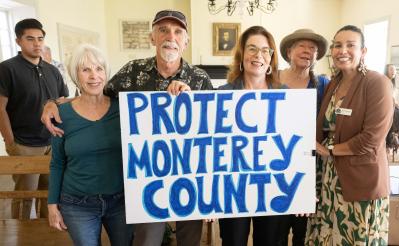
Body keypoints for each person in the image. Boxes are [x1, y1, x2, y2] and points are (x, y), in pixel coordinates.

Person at [41, 9, 213, 246]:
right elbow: (95, 94)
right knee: (146, 242)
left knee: (190, 241)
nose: (170, 36)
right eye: (162, 30)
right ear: (152, 38)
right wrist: (53, 103)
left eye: (177, 31)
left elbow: (213, 133)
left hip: (190, 176)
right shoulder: (133, 72)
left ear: (186, 41)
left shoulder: (200, 78)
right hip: (146, 181)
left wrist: (212, 193)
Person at [306, 25, 393, 245]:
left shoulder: (376, 83)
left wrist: (330, 150)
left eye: (350, 45)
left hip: (361, 182)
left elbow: (371, 139)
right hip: (329, 178)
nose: (342, 50)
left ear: (363, 51)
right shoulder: (333, 83)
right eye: (337, 45)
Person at [47, 44, 133, 245]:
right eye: (85, 70)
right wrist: (52, 205)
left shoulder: (125, 109)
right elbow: (57, 163)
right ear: (76, 75)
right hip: (77, 204)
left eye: (99, 68)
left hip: (121, 201)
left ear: (106, 72)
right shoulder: (61, 115)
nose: (94, 76)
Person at [218, 25, 284, 246]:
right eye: (252, 49)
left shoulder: (286, 97)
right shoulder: (222, 95)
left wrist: (302, 188)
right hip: (234, 186)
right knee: (233, 241)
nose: (259, 56)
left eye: (265, 50)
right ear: (242, 54)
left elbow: (297, 146)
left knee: (270, 241)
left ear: (271, 57)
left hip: (273, 184)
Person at [0, 18, 68, 219]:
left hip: (52, 142)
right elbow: (0, 108)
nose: (37, 43)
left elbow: (62, 101)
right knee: (24, 196)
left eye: (40, 39)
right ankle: (21, 235)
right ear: (18, 41)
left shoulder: (52, 70)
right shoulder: (7, 69)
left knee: (50, 194)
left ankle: (47, 235)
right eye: (30, 39)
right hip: (24, 144)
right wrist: (10, 142)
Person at [277, 28, 329, 246]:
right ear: (289, 51)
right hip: (276, 161)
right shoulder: (272, 79)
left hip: (308, 164)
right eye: (302, 46)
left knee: (303, 229)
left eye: (313, 49)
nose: (307, 51)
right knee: (275, 226)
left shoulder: (323, 85)